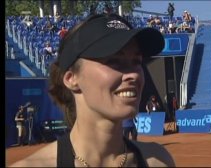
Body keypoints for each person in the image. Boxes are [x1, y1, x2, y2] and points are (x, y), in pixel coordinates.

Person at [10, 13, 175, 167]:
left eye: (137, 61)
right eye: (114, 61)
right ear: (71, 78)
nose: (133, 74)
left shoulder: (158, 161)